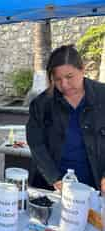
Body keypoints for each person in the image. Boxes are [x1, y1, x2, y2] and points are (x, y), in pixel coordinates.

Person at [26, 45, 105, 193]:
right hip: (53, 185)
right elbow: (36, 144)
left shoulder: (102, 95)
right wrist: (54, 178)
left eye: (69, 77)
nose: (64, 85)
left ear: (82, 70)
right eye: (57, 79)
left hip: (95, 183)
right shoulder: (41, 104)